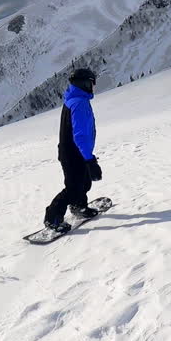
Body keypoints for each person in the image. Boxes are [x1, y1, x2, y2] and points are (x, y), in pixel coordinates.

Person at [43, 68, 104, 233]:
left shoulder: (74, 100)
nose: (92, 87)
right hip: (74, 153)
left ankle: (79, 206)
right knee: (73, 187)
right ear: (84, 83)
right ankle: (52, 218)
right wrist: (90, 160)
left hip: (74, 152)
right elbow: (81, 135)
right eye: (91, 83)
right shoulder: (79, 103)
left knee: (83, 183)